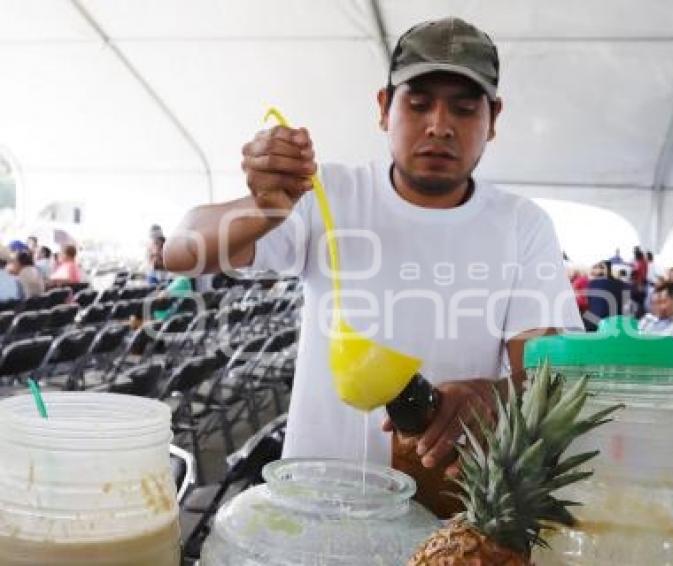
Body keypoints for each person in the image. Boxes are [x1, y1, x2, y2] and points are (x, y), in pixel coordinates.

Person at [163, 17, 580, 515]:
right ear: (384, 109)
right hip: (315, 508)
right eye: (419, 103)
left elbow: (549, 373)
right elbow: (180, 250)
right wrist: (264, 210)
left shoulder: (522, 225)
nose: (440, 125)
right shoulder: (330, 195)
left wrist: (495, 396)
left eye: (465, 108)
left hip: (449, 517)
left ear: (493, 118)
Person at [585, 261, 628, 330]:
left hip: (595, 322)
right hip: (615, 321)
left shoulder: (592, 283)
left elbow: (589, 303)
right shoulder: (621, 284)